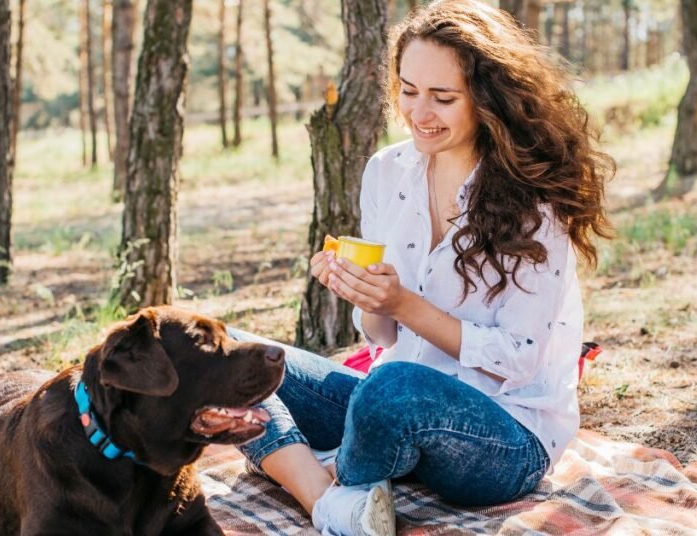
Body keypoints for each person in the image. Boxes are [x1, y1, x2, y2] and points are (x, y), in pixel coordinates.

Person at [229, 1, 614, 534]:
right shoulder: (387, 171)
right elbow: (384, 336)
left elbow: (519, 360)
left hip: (506, 434)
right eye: (409, 90)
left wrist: (404, 303)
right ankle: (329, 501)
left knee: (391, 390)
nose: (419, 113)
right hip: (394, 402)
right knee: (232, 358)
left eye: (442, 97)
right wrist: (368, 296)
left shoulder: (534, 203)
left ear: (486, 100)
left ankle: (321, 473)